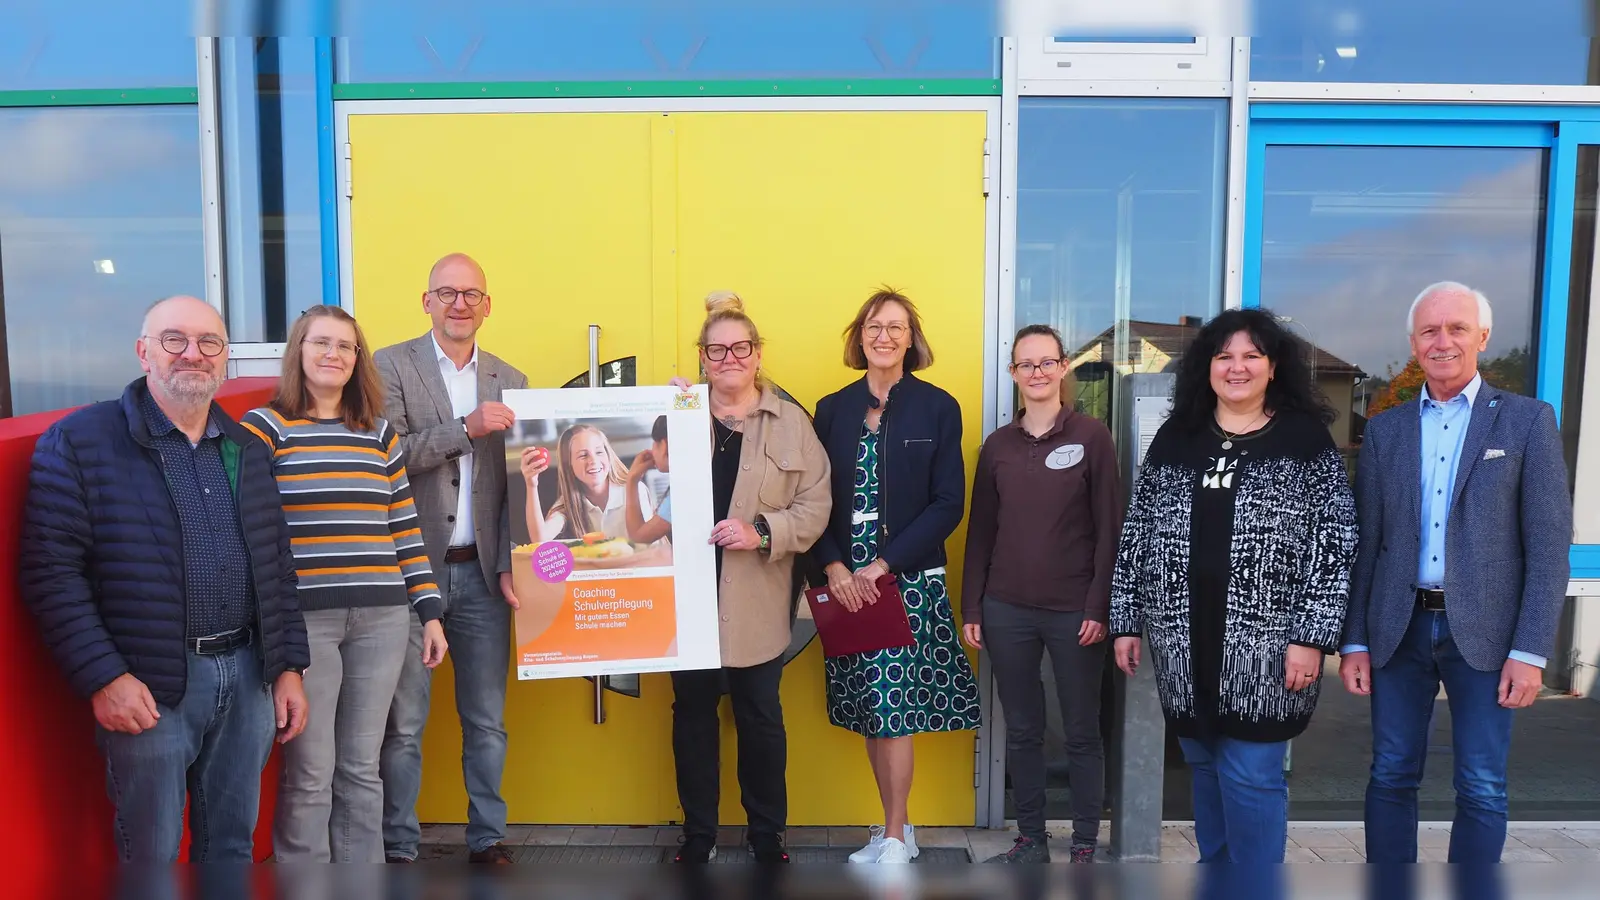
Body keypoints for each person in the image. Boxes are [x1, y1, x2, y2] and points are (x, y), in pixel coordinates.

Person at [19, 295, 310, 862]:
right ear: (143, 352)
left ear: (225, 359)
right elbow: (50, 572)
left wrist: (289, 668)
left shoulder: (245, 448)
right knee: (150, 854)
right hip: (152, 685)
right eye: (174, 339)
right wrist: (104, 678)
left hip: (246, 679)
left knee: (230, 847)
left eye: (209, 343)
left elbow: (277, 564)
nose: (192, 354)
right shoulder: (82, 442)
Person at [1109, 307, 1356, 864]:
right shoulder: (1179, 436)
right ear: (1208, 367)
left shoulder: (1304, 441)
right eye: (1225, 356)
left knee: (1251, 774)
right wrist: (1125, 618)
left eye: (1251, 356)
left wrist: (1312, 635)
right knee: (1203, 764)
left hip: (1265, 649)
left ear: (1273, 367)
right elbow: (1139, 528)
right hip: (1182, 643)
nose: (1237, 367)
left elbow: (1336, 544)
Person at [1340, 282, 1572, 864]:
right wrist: (1356, 639)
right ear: (1414, 342)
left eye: (1457, 328)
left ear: (1483, 337)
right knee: (1391, 773)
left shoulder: (1525, 422)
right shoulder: (1387, 429)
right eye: (1429, 331)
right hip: (1399, 627)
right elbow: (1367, 542)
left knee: (1481, 784)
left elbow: (1548, 546)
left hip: (1489, 636)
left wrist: (1531, 650)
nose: (1442, 341)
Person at [240, 306, 450, 863]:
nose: (334, 354)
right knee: (311, 770)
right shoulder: (265, 430)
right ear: (299, 351)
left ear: (358, 360)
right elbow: (248, 531)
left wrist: (428, 613)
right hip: (305, 624)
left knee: (361, 767)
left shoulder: (380, 433)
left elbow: (404, 527)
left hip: (383, 618)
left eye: (346, 347)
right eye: (321, 343)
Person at [813, 287, 980, 865]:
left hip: (903, 579)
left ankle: (893, 831)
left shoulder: (937, 406)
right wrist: (834, 564)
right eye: (873, 327)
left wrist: (881, 566)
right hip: (844, 586)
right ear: (859, 337)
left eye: (896, 327)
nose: (883, 336)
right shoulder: (832, 408)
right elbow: (813, 500)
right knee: (869, 707)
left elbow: (947, 503)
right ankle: (894, 831)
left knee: (893, 707)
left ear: (912, 339)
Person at [664, 291, 832, 864]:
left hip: (758, 596)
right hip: (686, 593)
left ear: (758, 354)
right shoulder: (676, 413)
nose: (729, 358)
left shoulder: (792, 424)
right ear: (703, 357)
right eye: (717, 350)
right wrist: (650, 414)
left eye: (740, 347)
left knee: (760, 717)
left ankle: (767, 835)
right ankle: (699, 835)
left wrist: (762, 532)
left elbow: (816, 505)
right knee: (692, 717)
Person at [373, 253, 530, 864]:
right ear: (426, 301)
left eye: (471, 294)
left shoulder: (511, 379)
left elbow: (519, 482)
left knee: (487, 720)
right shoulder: (389, 365)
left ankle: (487, 836)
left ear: (487, 305)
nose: (459, 304)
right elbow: (387, 454)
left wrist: (512, 560)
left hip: (485, 575)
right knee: (404, 724)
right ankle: (399, 844)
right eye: (447, 293)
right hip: (411, 571)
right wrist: (465, 428)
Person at [961, 324, 1120, 864]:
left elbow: (1109, 529)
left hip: (1075, 610)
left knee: (1080, 730)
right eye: (1025, 364)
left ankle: (1082, 842)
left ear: (1063, 368)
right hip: (1006, 609)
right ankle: (1030, 837)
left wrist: (1099, 605)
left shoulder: (1091, 437)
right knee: (1022, 729)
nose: (1036, 373)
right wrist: (973, 606)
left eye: (1046, 362)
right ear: (1012, 374)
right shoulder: (998, 447)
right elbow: (981, 529)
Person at [520, 422, 654, 543]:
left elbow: (648, 544)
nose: (593, 461)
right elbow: (539, 539)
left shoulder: (633, 490)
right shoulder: (569, 503)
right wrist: (531, 484)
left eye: (599, 452)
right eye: (583, 455)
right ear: (569, 465)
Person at [624, 415, 673, 545]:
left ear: (664, 445)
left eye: (655, 444)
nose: (652, 451)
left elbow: (638, 537)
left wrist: (632, 480)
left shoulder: (681, 492)